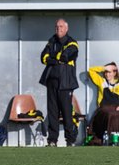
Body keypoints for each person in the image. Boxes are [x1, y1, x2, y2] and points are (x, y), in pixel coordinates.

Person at [39, 18, 79, 147]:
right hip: (51, 82)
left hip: (66, 83)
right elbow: (43, 57)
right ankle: (52, 140)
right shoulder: (51, 41)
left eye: (61, 27)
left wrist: (53, 57)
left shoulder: (72, 42)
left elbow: (65, 56)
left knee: (67, 112)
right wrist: (54, 58)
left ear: (66, 28)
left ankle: (70, 140)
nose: (58, 29)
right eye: (56, 27)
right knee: (52, 112)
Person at [87, 62, 119, 145]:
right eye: (106, 72)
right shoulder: (101, 82)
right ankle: (110, 140)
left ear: (115, 72)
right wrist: (104, 67)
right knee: (110, 115)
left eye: (109, 72)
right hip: (104, 109)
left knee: (115, 115)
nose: (107, 74)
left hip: (116, 108)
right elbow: (91, 70)